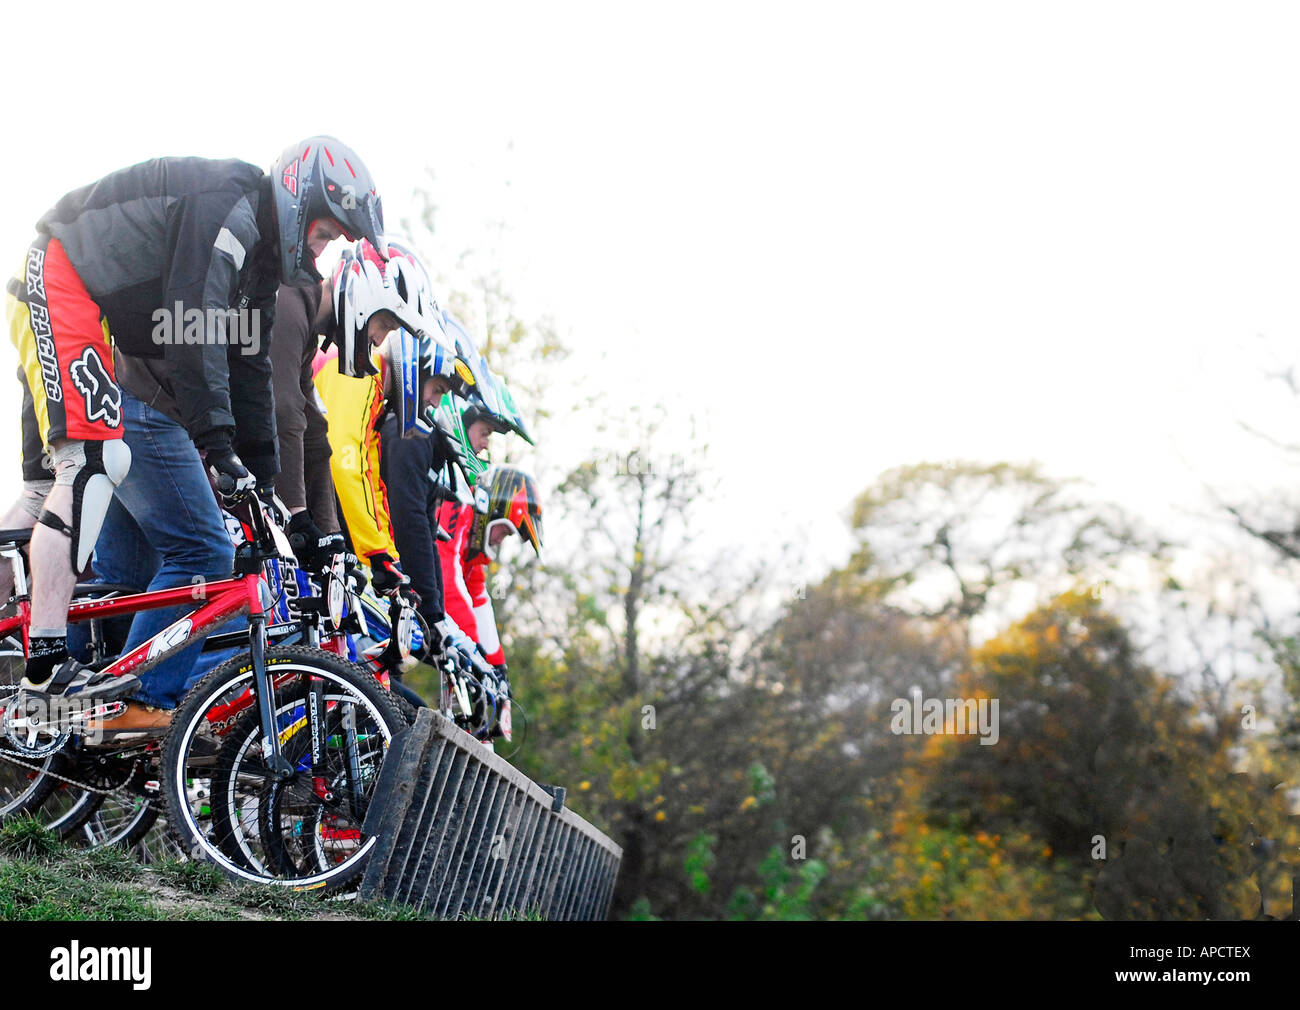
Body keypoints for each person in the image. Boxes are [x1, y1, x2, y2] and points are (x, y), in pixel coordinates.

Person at [4, 137, 386, 736]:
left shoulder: (259, 262)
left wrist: (273, 495)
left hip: (94, 317)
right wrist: (218, 445)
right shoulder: (226, 208)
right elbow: (194, 333)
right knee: (93, 462)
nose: (325, 247)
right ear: (297, 200)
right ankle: (45, 672)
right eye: (326, 231)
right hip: (60, 279)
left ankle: (63, 708)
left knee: (41, 495)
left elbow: (252, 375)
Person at [313, 239, 470, 605]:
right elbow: (345, 462)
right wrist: (377, 554)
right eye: (437, 389)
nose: (435, 401)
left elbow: (368, 477)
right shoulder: (360, 373)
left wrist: (385, 552)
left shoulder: (373, 391)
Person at [436, 464, 543, 740]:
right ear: (493, 512)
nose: (499, 540)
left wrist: (498, 669)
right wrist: (478, 657)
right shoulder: (459, 507)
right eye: (504, 532)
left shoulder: (474, 549)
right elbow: (448, 583)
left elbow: (478, 596)